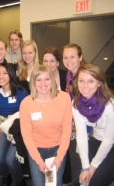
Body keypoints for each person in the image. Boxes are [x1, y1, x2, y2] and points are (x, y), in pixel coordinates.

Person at [20, 65, 72, 186]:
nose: (43, 83)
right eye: (39, 79)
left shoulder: (64, 98)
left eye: (47, 79)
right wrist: (38, 161)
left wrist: (59, 158)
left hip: (57, 148)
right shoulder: (26, 104)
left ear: (52, 80)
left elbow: (67, 130)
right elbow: (26, 135)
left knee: (53, 184)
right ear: (33, 82)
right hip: (36, 149)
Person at [72, 63, 114, 186]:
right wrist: (85, 167)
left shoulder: (110, 105)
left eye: (90, 81)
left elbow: (108, 140)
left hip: (111, 144)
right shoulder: (76, 103)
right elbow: (81, 135)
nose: (85, 86)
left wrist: (92, 168)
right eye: (81, 81)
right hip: (96, 139)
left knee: (94, 182)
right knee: (78, 181)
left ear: (99, 83)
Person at [42, 47, 71, 185]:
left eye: (52, 61)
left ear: (58, 63)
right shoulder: (40, 78)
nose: (48, 64)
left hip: (65, 122)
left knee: (64, 154)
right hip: (47, 126)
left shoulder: (67, 76)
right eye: (45, 61)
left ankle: (63, 179)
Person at [0, 63, 28, 186]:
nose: (1, 76)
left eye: (5, 73)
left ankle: (20, 180)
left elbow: (27, 113)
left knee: (10, 160)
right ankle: (6, 176)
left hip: (19, 130)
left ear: (11, 75)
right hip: (4, 129)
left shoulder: (20, 91)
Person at [63, 43, 85, 186]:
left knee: (83, 162)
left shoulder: (85, 75)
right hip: (74, 123)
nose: (68, 60)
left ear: (80, 58)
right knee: (75, 158)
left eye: (72, 57)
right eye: (65, 57)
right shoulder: (69, 74)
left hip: (86, 126)